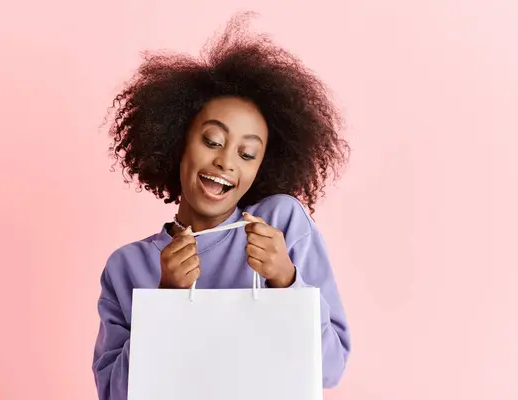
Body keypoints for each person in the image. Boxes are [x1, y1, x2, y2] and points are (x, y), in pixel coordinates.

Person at [92, 13, 351, 400]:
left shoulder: (279, 223)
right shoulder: (127, 267)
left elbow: (330, 369)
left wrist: (286, 279)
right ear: (178, 141)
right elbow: (115, 395)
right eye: (212, 141)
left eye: (247, 153)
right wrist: (166, 302)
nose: (227, 162)